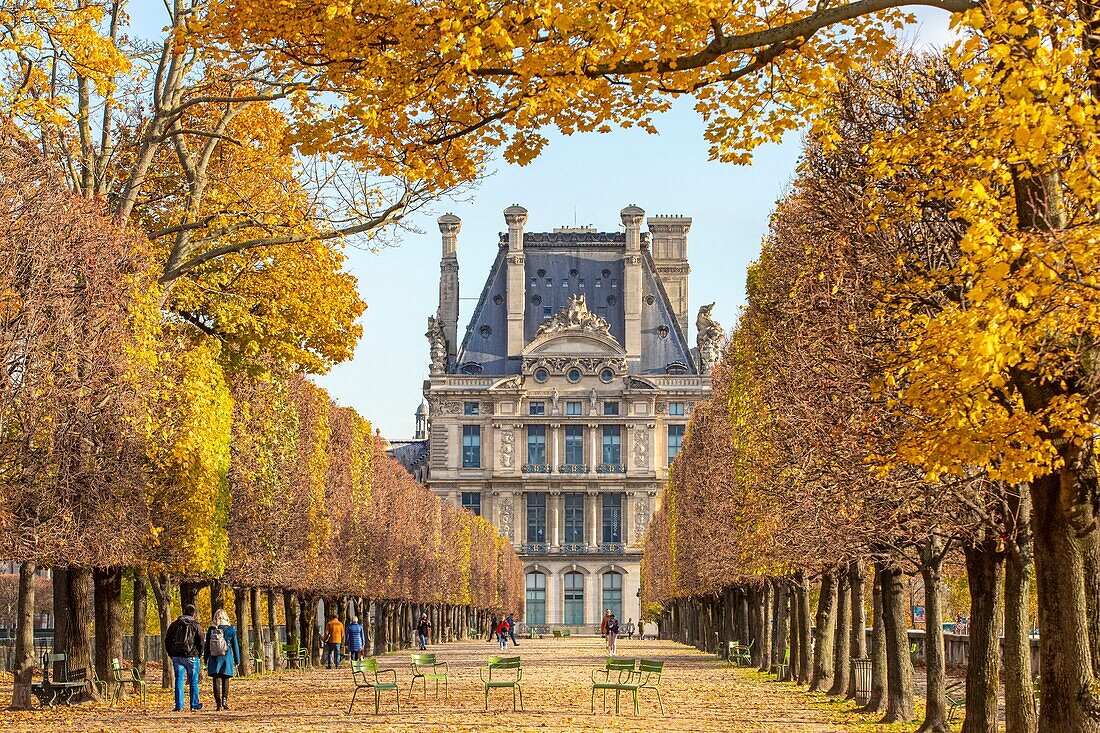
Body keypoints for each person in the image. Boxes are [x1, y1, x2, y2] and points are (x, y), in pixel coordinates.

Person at [165, 603, 205, 712]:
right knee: (193, 681)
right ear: (193, 613)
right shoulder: (196, 625)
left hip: (177, 656)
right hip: (192, 656)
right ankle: (194, 704)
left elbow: (167, 640)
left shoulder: (174, 625)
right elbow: (201, 641)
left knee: (179, 680)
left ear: (183, 611)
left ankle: (179, 705)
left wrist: (171, 653)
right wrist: (199, 653)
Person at [203, 608, 241, 711]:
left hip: (214, 657)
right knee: (225, 678)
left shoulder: (211, 629)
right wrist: (237, 660)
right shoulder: (231, 629)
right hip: (226, 656)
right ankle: (225, 700)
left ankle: (218, 703)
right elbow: (235, 646)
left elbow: (207, 646)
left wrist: (205, 658)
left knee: (216, 679)